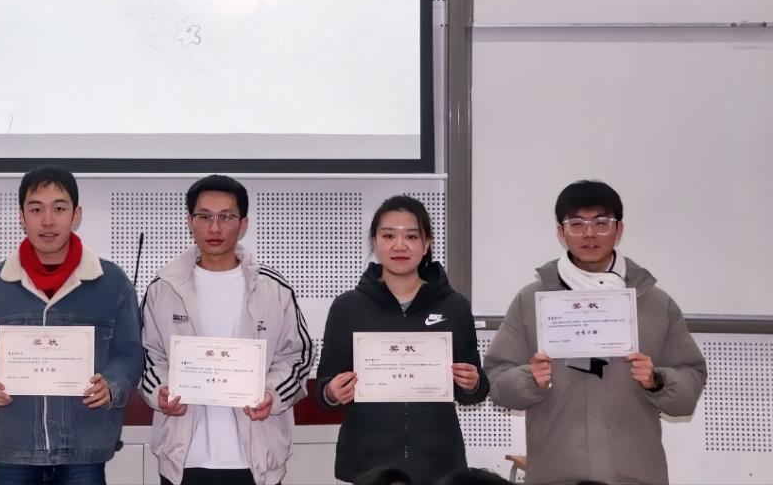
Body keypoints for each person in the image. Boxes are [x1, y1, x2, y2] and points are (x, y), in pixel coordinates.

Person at [483, 180, 706, 485]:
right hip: (556, 474)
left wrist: (657, 381)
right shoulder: (532, 301)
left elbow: (690, 382)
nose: (589, 233)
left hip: (634, 475)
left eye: (602, 223)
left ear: (619, 229)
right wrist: (529, 379)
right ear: (561, 232)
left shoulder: (655, 303)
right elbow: (497, 381)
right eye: (577, 224)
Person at [0, 165, 143, 485]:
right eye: (36, 209)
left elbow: (130, 354)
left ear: (76, 214)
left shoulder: (112, 282)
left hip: (83, 449)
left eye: (59, 208)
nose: (47, 220)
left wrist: (112, 385)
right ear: (22, 216)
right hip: (13, 448)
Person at [140, 174, 313, 485]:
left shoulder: (274, 289)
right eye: (204, 216)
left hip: (256, 459)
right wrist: (161, 391)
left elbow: (297, 357)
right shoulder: (163, 289)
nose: (215, 227)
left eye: (226, 217)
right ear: (189, 221)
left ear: (243, 224)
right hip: (183, 458)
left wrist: (271, 394)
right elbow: (148, 355)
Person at [316, 195, 488, 484]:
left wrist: (473, 383)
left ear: (427, 243)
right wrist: (332, 392)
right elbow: (324, 388)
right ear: (374, 241)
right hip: (367, 464)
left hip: (439, 463)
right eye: (388, 235)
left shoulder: (454, 306)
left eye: (411, 236)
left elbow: (473, 392)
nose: (399, 245)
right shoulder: (347, 307)